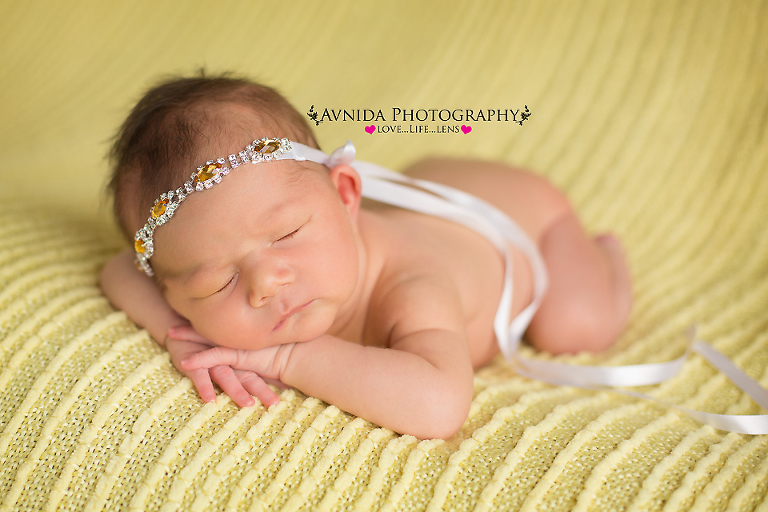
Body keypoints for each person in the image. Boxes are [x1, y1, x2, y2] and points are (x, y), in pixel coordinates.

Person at [99, 72, 632, 440]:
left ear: (345, 195)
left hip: (519, 215)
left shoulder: (410, 285)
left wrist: (284, 358)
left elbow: (439, 403)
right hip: (425, 194)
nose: (266, 283)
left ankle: (604, 254)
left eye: (286, 233)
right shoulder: (201, 258)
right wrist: (184, 339)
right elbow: (120, 270)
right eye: (216, 284)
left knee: (576, 325)